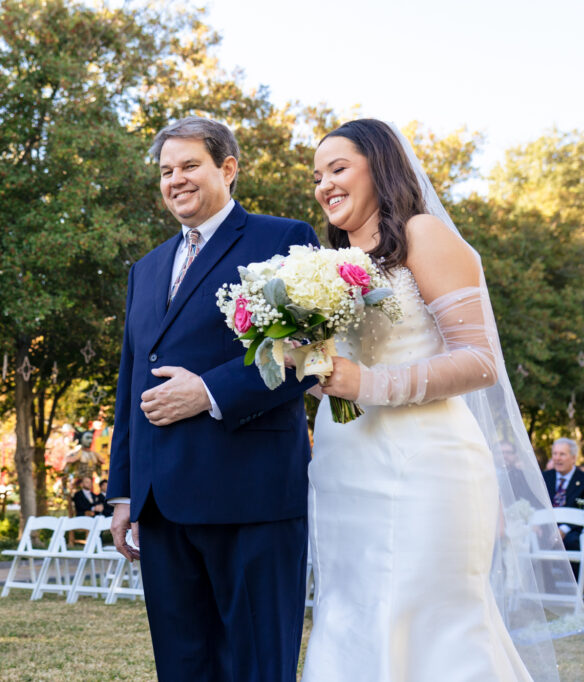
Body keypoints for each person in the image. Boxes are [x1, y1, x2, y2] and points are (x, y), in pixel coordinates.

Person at [305, 119, 576, 681]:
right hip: (344, 463)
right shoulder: (326, 266)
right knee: (350, 611)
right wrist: (299, 359)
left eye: (338, 169)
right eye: (316, 176)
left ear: (379, 167)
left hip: (425, 463)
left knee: (425, 616)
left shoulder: (424, 234)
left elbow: (480, 360)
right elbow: (338, 369)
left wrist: (370, 386)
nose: (324, 185)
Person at [107, 116, 318, 681]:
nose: (175, 179)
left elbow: (308, 349)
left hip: (251, 496)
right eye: (165, 170)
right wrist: (123, 492)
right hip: (161, 503)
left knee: (258, 666)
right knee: (183, 667)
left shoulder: (284, 239)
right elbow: (131, 384)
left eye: (189, 166)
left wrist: (208, 391)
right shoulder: (145, 270)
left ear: (227, 168)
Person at [543, 438, 584, 553]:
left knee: (573, 542)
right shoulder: (543, 478)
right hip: (544, 529)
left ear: (573, 458)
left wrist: (563, 529)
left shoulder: (582, 480)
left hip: (573, 532)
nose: (557, 458)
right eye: (555, 454)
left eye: (562, 454)